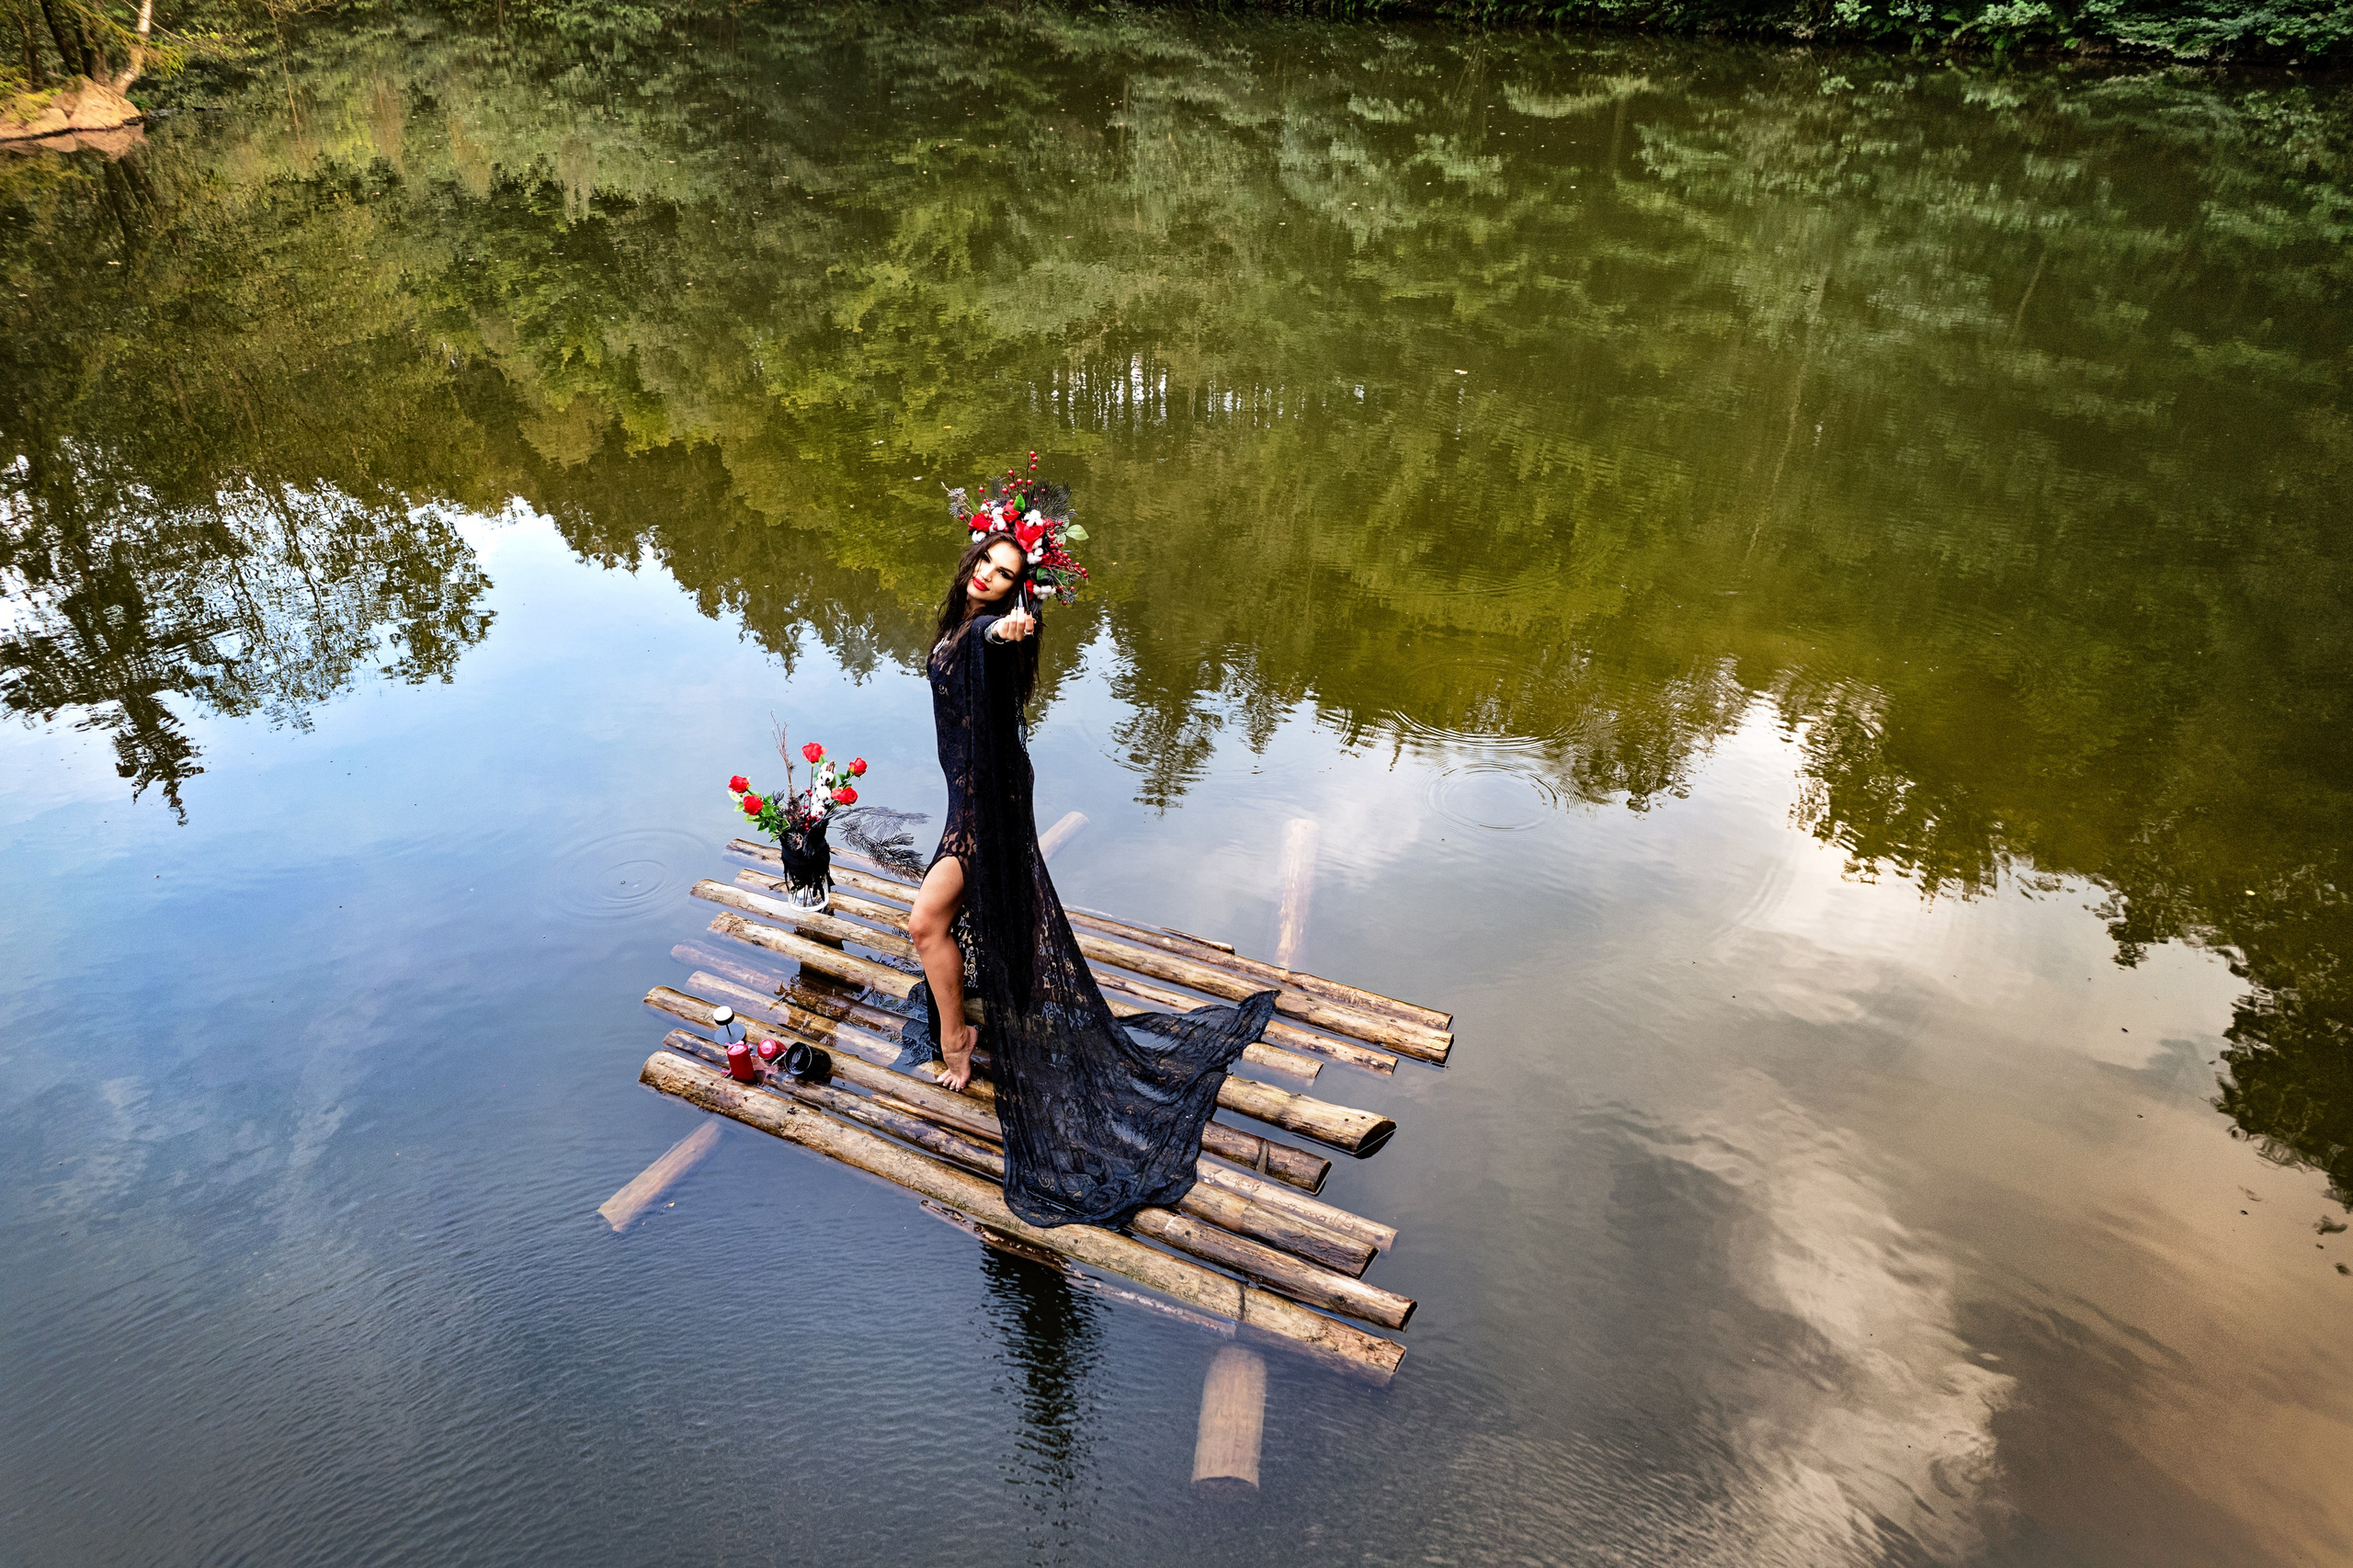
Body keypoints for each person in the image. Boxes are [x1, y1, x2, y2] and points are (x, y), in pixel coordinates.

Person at [904, 530, 1277, 1228]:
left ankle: (958, 1041)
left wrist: (1009, 629)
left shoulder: (986, 629)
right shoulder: (958, 624)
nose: (987, 575)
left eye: (1004, 573)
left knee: (926, 924)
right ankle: (972, 1019)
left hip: (987, 809)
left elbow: (997, 635)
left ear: (1016, 592)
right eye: (985, 562)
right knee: (942, 924)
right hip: (971, 796)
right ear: (970, 561)